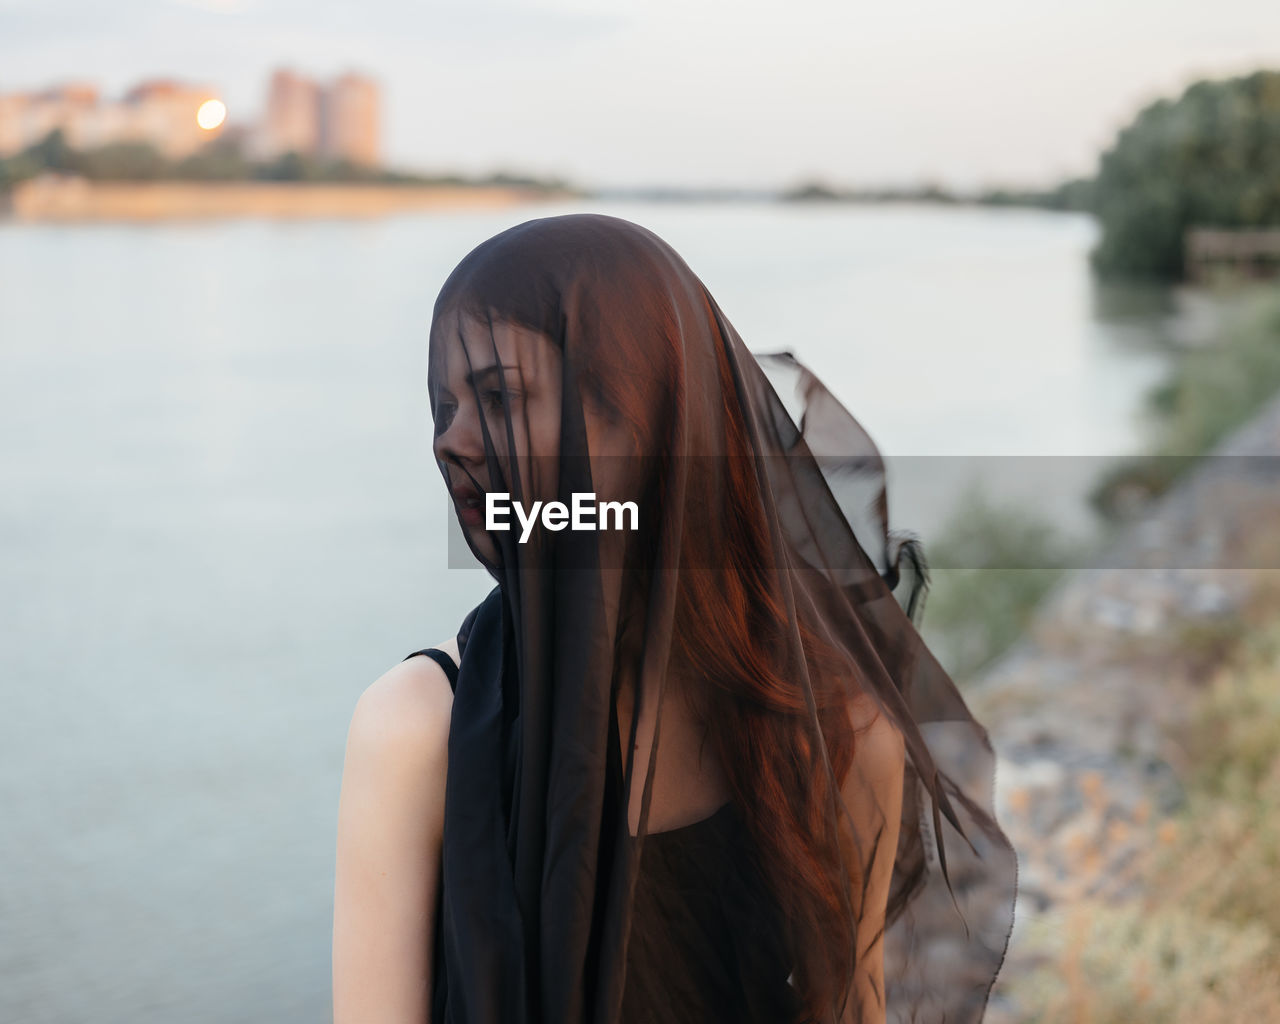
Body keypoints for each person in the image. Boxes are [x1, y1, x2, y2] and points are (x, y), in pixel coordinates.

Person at [332, 213, 1017, 1023]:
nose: (455, 442)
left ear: (644, 422)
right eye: (444, 405)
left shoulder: (834, 726)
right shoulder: (417, 728)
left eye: (499, 399)